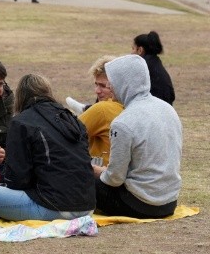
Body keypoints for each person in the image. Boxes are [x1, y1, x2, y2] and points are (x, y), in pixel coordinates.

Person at [0, 74, 95, 221]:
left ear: (21, 96)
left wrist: (2, 169)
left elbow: (17, 181)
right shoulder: (72, 119)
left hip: (52, 207)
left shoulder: (21, 122)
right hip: (87, 207)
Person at [93, 55, 182, 218]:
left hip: (140, 204)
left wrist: (96, 171)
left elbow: (114, 179)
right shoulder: (168, 109)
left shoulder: (123, 122)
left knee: (79, 177)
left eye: (112, 81)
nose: (109, 86)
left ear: (123, 82)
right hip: (169, 202)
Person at [66, 56, 123, 166]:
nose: (97, 91)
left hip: (102, 172)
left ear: (116, 85)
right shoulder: (132, 104)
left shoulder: (103, 109)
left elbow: (66, 133)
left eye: (103, 86)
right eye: (96, 84)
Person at [132, 31, 175, 105]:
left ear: (140, 50)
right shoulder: (155, 62)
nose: (131, 53)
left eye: (133, 49)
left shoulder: (143, 66)